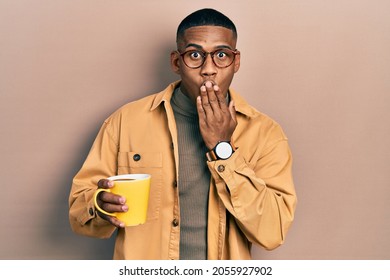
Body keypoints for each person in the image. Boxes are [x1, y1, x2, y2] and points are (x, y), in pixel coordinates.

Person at [69, 8, 297, 260]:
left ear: (236, 61)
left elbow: (273, 231)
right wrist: (100, 204)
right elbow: (78, 211)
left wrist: (223, 149)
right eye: (195, 55)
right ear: (176, 62)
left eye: (221, 55)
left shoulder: (266, 133)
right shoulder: (125, 121)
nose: (208, 69)